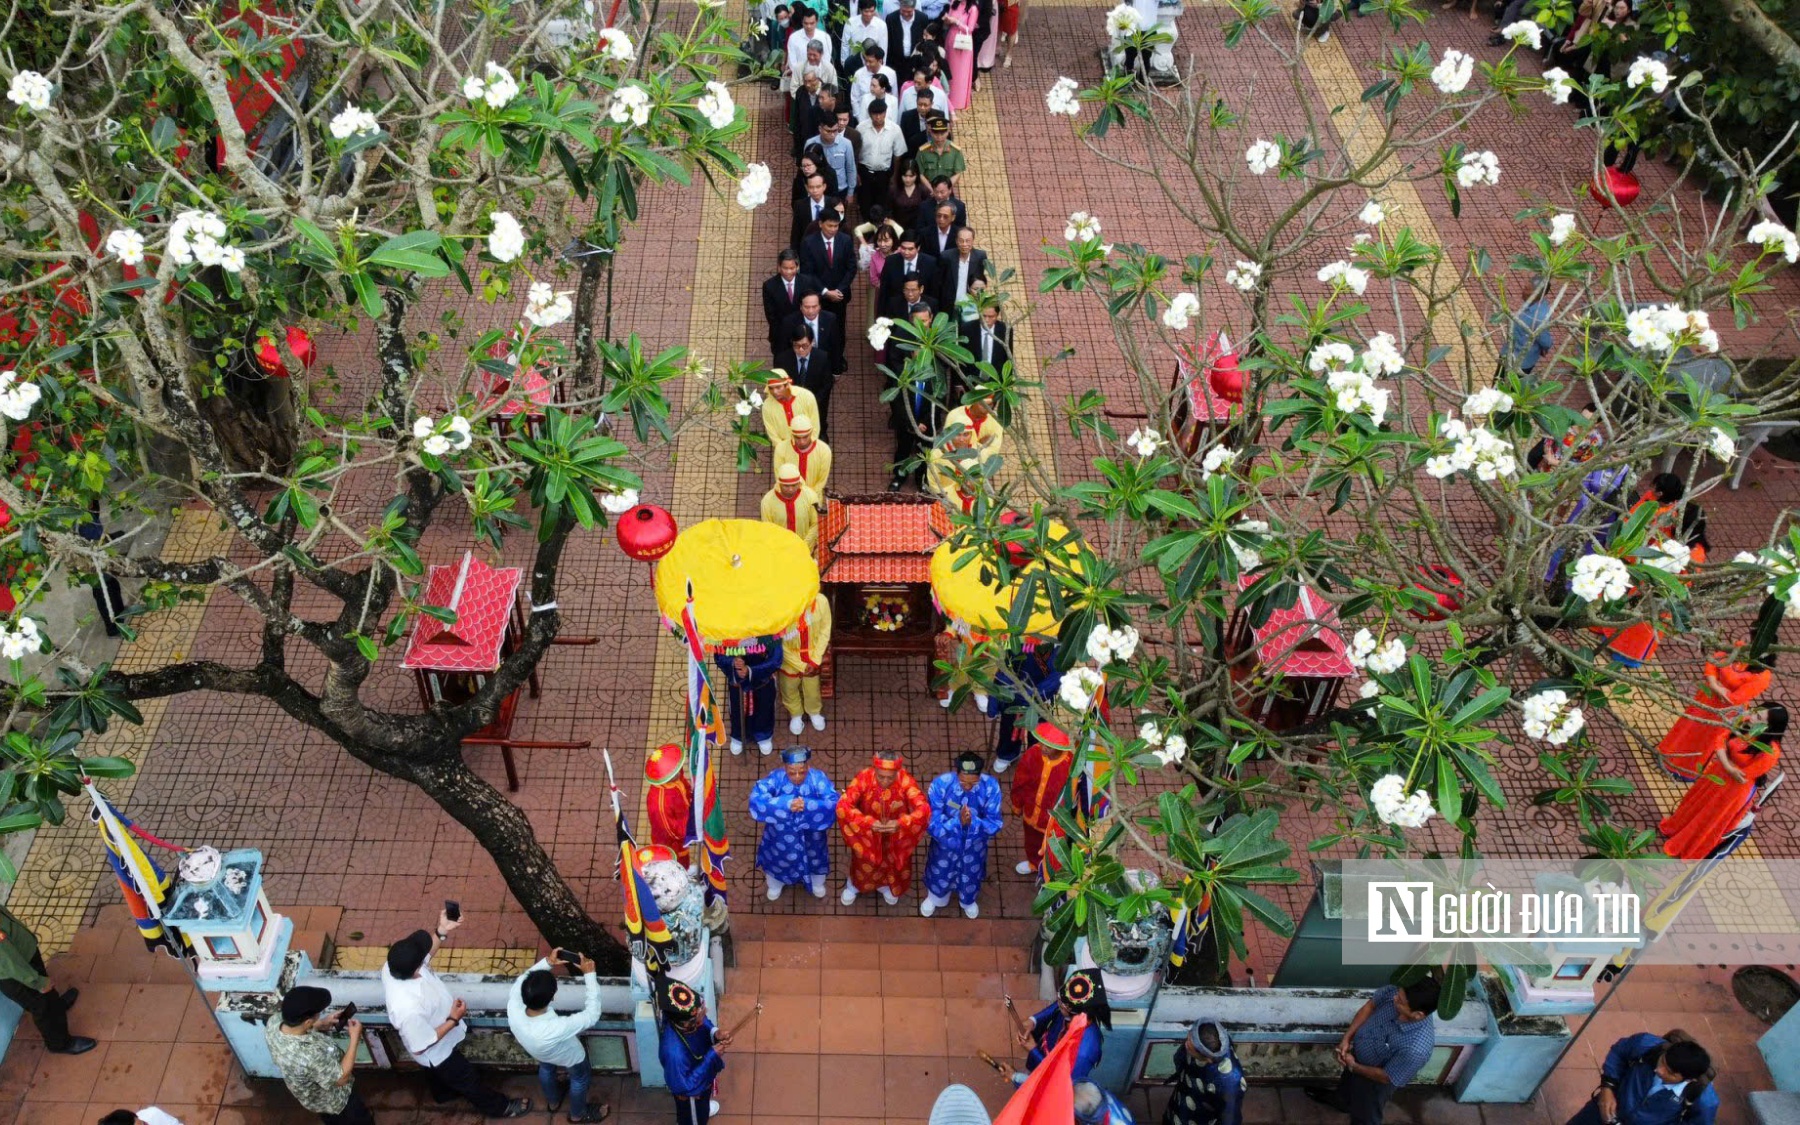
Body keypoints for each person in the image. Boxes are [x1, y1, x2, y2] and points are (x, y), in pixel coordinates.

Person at [382, 915, 531, 1117]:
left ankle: (443, 1094)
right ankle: (499, 1108)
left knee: (437, 1076)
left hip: (438, 1046)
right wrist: (453, 1019)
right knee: (468, 1080)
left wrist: (441, 931)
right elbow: (422, 1044)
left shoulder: (393, 967)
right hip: (437, 1052)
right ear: (414, 968)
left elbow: (426, 956)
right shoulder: (408, 1009)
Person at [1306, 980, 1440, 1125]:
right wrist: (1347, 1038)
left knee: (1366, 1116)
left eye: (1400, 1001)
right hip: (1356, 1057)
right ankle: (1342, 1102)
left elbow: (1386, 1077)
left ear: (1418, 1015)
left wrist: (1354, 1066)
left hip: (1374, 1081)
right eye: (1398, 994)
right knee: (1347, 1086)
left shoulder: (1417, 1049)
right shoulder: (1396, 992)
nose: (1395, 998)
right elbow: (1369, 1006)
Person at [1662, 703, 1785, 859]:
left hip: (1732, 790)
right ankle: (1677, 829)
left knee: (1708, 817)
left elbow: (1741, 776)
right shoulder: (1746, 721)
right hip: (1717, 773)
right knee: (1697, 802)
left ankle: (1687, 846)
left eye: (1759, 717)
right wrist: (1727, 764)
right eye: (1755, 712)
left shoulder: (1770, 752)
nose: (1752, 716)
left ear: (1770, 727)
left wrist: (1724, 757)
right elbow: (1720, 737)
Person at [506, 953, 606, 1123]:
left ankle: (553, 1102)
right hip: (570, 1057)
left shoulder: (514, 1004)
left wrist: (548, 962)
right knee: (579, 1079)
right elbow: (591, 1015)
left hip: (538, 1051)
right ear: (552, 997)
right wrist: (589, 975)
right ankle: (578, 1114)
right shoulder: (554, 1027)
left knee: (546, 1069)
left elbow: (523, 978)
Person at [1657, 655, 1774, 782]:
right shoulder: (1740, 648)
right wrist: (1714, 683)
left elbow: (1736, 698)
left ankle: (1685, 769)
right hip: (1707, 698)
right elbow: (1714, 659)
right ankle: (1667, 753)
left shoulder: (1762, 676)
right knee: (1687, 727)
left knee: (1703, 740)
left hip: (1725, 713)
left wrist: (1717, 685)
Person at [265, 986, 372, 1125]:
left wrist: (321, 1024)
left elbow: (298, 1028)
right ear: (307, 1022)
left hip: (312, 1097)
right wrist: (355, 1039)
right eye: (318, 1015)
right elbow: (341, 1079)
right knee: (354, 1118)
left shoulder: (274, 1021)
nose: (319, 1016)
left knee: (330, 1118)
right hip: (334, 1099)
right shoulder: (308, 1056)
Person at [837, 750, 931, 905]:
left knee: (893, 863)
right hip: (868, 835)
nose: (885, 781)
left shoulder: (905, 781)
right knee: (864, 862)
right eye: (881, 776)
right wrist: (868, 823)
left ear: (897, 772)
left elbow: (924, 809)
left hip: (896, 836)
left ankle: (888, 886)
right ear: (875, 770)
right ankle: (855, 885)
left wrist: (902, 823)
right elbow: (843, 805)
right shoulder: (864, 777)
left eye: (890, 777)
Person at [1565, 1031, 1718, 1125]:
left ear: (1689, 1080)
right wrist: (1607, 1088)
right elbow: (1619, 1052)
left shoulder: (1704, 1100)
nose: (1659, 1070)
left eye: (1670, 1072)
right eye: (1662, 1061)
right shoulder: (1647, 1045)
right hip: (1598, 1113)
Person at [0, 904, 94, 1056]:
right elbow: (5, 961)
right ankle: (60, 1043)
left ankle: (56, 1006)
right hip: (17, 973)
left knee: (48, 996)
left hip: (23, 957)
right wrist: (37, 982)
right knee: (41, 1005)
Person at [748, 746, 841, 900]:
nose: (797, 776)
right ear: (785, 768)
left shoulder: (817, 778)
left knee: (815, 860)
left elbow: (833, 801)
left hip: (812, 836)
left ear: (808, 767)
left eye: (802, 772)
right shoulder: (776, 778)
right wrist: (785, 804)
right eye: (792, 772)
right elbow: (756, 798)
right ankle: (776, 883)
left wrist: (809, 805)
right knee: (778, 860)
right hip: (780, 837)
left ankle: (817, 882)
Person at [921, 750, 1004, 917]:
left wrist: (974, 822)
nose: (967, 786)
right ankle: (936, 898)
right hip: (945, 846)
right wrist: (957, 822)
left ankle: (967, 900)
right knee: (940, 871)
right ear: (956, 772)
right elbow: (931, 822)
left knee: (970, 875)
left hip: (974, 847)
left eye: (972, 783)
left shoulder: (991, 787)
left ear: (980, 776)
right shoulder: (940, 785)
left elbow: (995, 823)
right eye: (963, 782)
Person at [1009, 968, 1108, 1083]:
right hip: (1045, 1049)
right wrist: (1032, 1021)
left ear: (1069, 1009)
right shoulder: (1075, 1010)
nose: (1057, 1004)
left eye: (1061, 1005)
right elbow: (1056, 1007)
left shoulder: (1084, 1052)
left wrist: (1033, 1049)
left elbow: (1060, 1081)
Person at [658, 981, 732, 1125]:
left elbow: (703, 1021)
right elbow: (683, 1086)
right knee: (693, 1120)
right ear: (688, 1024)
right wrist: (711, 1056)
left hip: (700, 1077)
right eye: (700, 1015)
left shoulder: (683, 1018)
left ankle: (702, 1109)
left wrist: (715, 1033)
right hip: (691, 1097)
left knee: (702, 1105)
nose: (704, 1013)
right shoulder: (674, 1053)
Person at [1010, 720, 1074, 872]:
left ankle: (1050, 872)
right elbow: (1020, 780)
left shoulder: (1069, 765)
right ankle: (1034, 863)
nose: (1043, 748)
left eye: (1049, 746)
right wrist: (1017, 804)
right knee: (1031, 841)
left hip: (1052, 821)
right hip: (1030, 811)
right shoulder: (1033, 753)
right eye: (1043, 743)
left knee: (1053, 848)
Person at [801, 211, 856, 375]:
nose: (833, 229)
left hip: (839, 297)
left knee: (839, 329)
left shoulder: (845, 240)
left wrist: (840, 289)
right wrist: (825, 291)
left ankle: (837, 360)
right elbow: (808, 272)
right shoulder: (809, 243)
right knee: (817, 328)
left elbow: (851, 267)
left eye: (836, 226)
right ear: (820, 224)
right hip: (819, 297)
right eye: (830, 225)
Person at [1163, 1017, 1245, 1125]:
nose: (1187, 1044)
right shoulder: (1215, 1041)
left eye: (1190, 1046)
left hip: (1199, 1115)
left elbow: (1230, 1118)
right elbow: (1181, 1058)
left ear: (1208, 1058)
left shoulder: (1230, 1081)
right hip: (1183, 1095)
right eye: (1190, 1037)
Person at [717, 636, 783, 755]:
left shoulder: (770, 627)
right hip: (738, 684)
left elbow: (776, 659)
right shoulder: (726, 628)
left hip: (762, 683)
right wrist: (733, 663)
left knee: (765, 708)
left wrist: (751, 670)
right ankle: (738, 735)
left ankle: (763, 734)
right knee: (737, 709)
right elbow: (719, 655)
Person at [780, 592, 833, 733]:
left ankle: (814, 711)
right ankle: (796, 714)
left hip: (812, 656)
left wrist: (815, 660)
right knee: (788, 688)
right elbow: (779, 641)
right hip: (789, 658)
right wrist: (801, 665)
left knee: (812, 688)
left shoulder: (821, 601)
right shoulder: (781, 605)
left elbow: (825, 630)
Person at [762, 250, 822, 356]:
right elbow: (771, 315)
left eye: (792, 268)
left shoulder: (807, 282)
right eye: (785, 268)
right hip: (781, 334)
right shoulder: (769, 286)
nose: (788, 272)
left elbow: (811, 309)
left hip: (804, 333)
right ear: (779, 267)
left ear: (797, 267)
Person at [646, 742, 695, 865]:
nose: (680, 772)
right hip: (672, 843)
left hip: (683, 824)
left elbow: (685, 787)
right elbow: (671, 830)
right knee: (679, 864)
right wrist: (690, 829)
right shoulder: (660, 804)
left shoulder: (674, 776)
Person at [858, 100, 907, 215]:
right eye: (875, 114)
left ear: (885, 113)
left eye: (881, 113)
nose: (878, 117)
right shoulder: (861, 128)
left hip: (884, 175)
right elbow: (856, 153)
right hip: (865, 174)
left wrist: (894, 177)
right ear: (870, 114)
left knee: (883, 208)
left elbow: (898, 156)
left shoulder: (895, 130)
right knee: (865, 207)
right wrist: (857, 174)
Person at [762, 462, 823, 550]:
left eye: (794, 485)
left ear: (799, 483)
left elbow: (815, 524)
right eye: (786, 486)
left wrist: (804, 546)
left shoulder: (811, 496)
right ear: (779, 484)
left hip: (805, 549)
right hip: (780, 550)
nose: (790, 489)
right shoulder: (767, 501)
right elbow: (767, 529)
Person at [878, 231, 938, 319]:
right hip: (897, 314)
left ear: (918, 248)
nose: (906, 252)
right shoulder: (891, 262)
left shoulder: (929, 263)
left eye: (910, 249)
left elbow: (933, 291)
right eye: (903, 248)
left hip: (922, 314)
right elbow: (884, 292)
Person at [773, 413, 833, 494]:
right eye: (797, 437)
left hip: (814, 498)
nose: (802, 442)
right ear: (791, 434)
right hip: (789, 496)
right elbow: (780, 475)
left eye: (805, 437)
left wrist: (809, 497)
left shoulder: (824, 451)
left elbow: (821, 481)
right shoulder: (781, 449)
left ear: (811, 432)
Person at [761, 368, 821, 447]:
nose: (774, 392)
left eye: (778, 387)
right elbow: (771, 432)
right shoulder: (767, 406)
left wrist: (809, 446)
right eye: (771, 388)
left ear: (787, 385)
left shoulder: (807, 396)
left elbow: (815, 424)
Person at [937, 227, 987, 320]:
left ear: (973, 241)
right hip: (950, 304)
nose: (964, 244)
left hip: (969, 305)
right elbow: (940, 281)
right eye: (961, 241)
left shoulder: (980, 256)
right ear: (956, 241)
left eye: (968, 241)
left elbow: (979, 279)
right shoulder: (946, 257)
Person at [809, 117, 859, 206]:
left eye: (835, 131)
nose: (832, 135)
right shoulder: (811, 144)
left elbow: (850, 168)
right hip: (817, 192)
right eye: (828, 131)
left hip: (839, 191)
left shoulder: (846, 144)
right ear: (820, 129)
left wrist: (850, 193)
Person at [849, 44, 900, 124]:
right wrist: (860, 119)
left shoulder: (891, 73)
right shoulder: (858, 74)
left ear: (879, 61)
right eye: (866, 61)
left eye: (870, 62)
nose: (867, 64)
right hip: (864, 118)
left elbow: (894, 95)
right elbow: (854, 99)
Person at [944, 0, 978, 110]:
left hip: (963, 43)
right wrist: (947, 20)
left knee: (961, 72)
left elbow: (970, 29)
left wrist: (957, 22)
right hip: (951, 39)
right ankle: (947, 97)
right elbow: (948, 21)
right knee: (949, 69)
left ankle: (958, 100)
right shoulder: (954, 3)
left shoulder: (973, 9)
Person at [916, 116, 966, 189]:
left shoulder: (956, 151)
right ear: (930, 132)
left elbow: (958, 173)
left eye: (942, 133)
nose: (939, 137)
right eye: (936, 133)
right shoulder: (923, 151)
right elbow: (920, 174)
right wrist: (932, 190)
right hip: (928, 190)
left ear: (948, 132)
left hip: (947, 190)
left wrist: (945, 189)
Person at [963, 301, 1013, 376]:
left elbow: (1008, 356)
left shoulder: (1005, 330)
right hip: (971, 377)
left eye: (991, 316)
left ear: (997, 315)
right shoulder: (967, 329)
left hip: (995, 380)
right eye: (984, 316)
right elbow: (959, 357)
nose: (986, 320)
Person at [792, 172, 835, 251]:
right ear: (806, 188)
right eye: (811, 187)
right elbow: (796, 234)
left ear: (824, 187)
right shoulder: (800, 205)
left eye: (818, 187)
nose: (815, 190)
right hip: (808, 251)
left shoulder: (833, 204)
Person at [843, 0, 890, 65]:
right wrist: (845, 64)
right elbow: (845, 46)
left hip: (873, 66)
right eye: (866, 11)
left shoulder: (881, 25)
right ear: (860, 10)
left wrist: (880, 68)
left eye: (871, 11)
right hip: (853, 64)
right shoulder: (850, 23)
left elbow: (883, 48)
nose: (869, 14)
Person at [900, 92, 940, 159]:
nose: (922, 108)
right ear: (916, 102)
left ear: (931, 104)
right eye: (920, 104)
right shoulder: (907, 117)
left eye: (925, 105)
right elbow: (903, 141)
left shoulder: (938, 115)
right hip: (913, 156)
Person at [888, 0, 925, 65]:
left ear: (914, 8)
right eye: (903, 11)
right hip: (896, 62)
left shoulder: (922, 18)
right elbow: (889, 42)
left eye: (909, 11)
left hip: (916, 61)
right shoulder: (891, 18)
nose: (905, 14)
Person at [996, 0, 1022, 66]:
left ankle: (1009, 54)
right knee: (998, 24)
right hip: (997, 2)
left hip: (1010, 4)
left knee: (1011, 30)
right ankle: (997, 47)